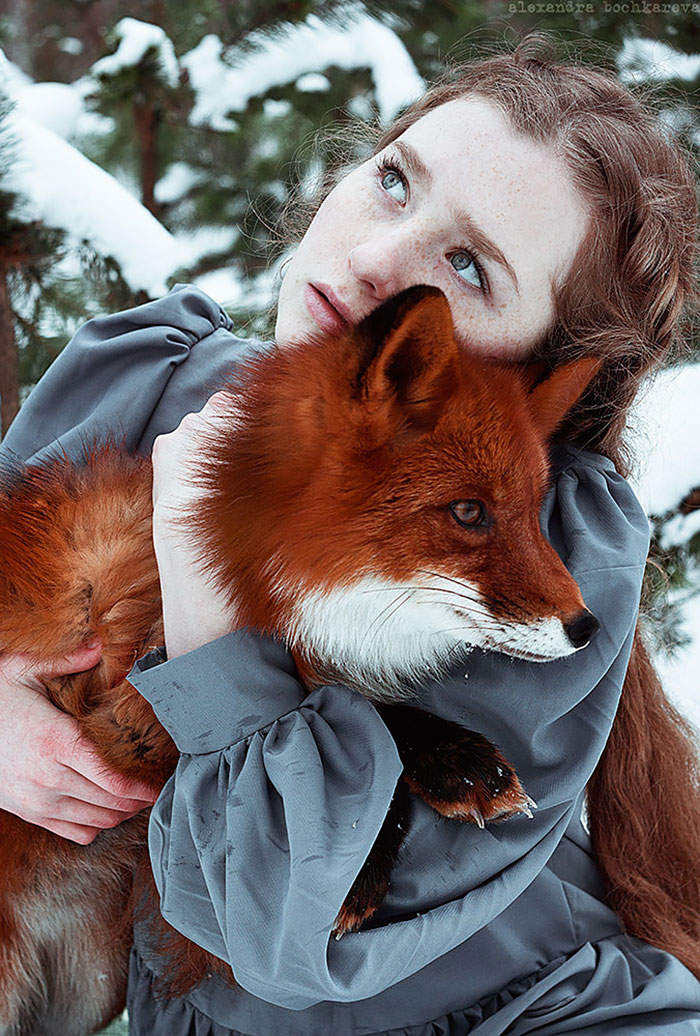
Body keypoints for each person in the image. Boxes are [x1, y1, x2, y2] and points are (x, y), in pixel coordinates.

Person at [2, 31, 700, 1035]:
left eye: (466, 265)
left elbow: (282, 933)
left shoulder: (527, 551)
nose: (377, 259)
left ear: (529, 373)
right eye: (392, 182)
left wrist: (206, 609)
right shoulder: (152, 376)